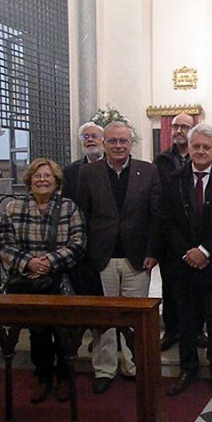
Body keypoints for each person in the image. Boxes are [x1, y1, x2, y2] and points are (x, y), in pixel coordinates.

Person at [76, 121, 162, 394]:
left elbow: (156, 216)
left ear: (131, 143)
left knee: (132, 317)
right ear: (104, 143)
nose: (118, 145)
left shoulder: (147, 171)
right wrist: (86, 254)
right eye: (112, 141)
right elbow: (81, 215)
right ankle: (104, 368)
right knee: (104, 317)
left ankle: (133, 365)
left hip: (137, 257)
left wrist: (152, 251)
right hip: (101, 257)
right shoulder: (88, 173)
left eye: (123, 141)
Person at [162, 124, 212, 398]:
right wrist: (188, 251)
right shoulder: (174, 179)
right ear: (190, 148)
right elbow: (167, 221)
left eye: (206, 147)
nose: (200, 151)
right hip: (183, 264)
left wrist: (205, 251)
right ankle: (188, 369)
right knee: (186, 322)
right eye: (196, 146)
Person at [0, 158, 87, 403]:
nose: (42, 180)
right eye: (38, 176)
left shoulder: (69, 207)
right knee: (37, 331)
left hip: (59, 278)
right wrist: (29, 262)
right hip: (27, 279)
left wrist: (48, 262)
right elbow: (4, 244)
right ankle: (43, 377)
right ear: (29, 180)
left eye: (48, 176)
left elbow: (78, 243)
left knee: (63, 331)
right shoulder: (13, 208)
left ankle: (64, 378)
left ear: (56, 180)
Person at [153, 113, 205, 352]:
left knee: (198, 288)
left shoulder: (201, 157)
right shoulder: (162, 160)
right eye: (175, 126)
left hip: (198, 234)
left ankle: (197, 330)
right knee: (171, 286)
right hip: (171, 236)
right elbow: (157, 196)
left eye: (184, 126)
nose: (178, 130)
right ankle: (172, 330)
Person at [62, 122, 104, 200]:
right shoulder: (70, 171)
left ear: (103, 141)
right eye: (86, 137)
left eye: (94, 136)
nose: (90, 139)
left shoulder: (114, 166)